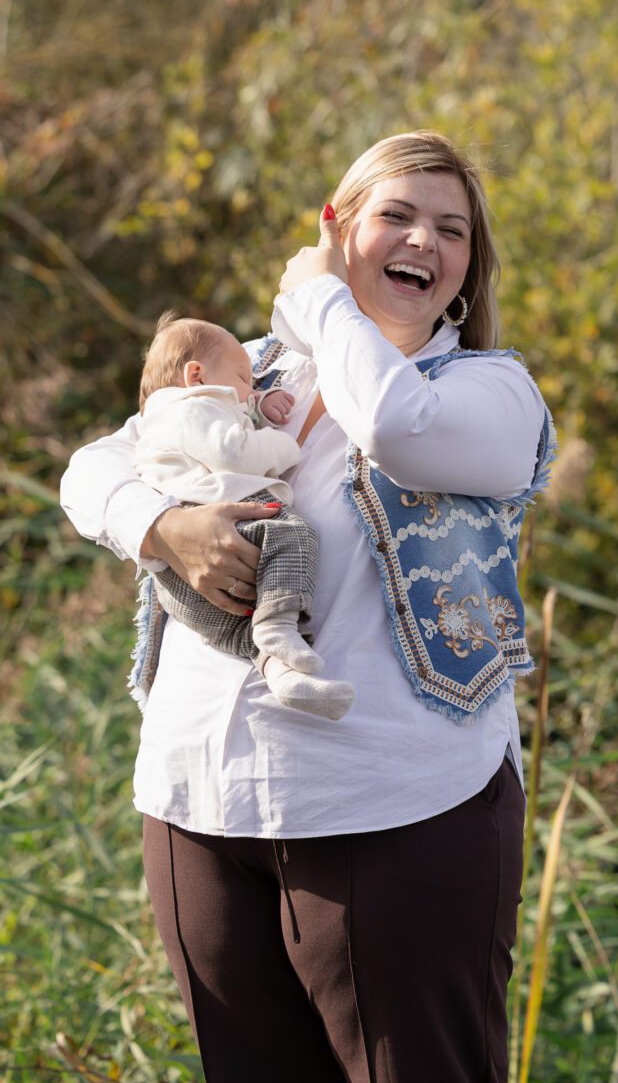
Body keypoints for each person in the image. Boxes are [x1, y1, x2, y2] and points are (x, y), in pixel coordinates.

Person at [60, 130, 555, 1083]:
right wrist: (164, 526)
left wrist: (323, 294)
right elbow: (92, 471)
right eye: (397, 216)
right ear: (342, 226)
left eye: (451, 230)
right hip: (199, 801)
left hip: (402, 810)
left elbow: (393, 428)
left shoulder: (493, 393)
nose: (424, 241)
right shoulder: (245, 372)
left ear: (466, 269)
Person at [132, 311, 354, 720]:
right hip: (223, 527)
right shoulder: (189, 408)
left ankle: (282, 672)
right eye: (243, 379)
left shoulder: (173, 415)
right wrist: (286, 444)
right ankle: (278, 628)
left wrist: (261, 407)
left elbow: (231, 426)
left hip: (178, 577)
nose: (250, 390)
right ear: (195, 375)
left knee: (242, 631)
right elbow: (232, 452)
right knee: (296, 536)